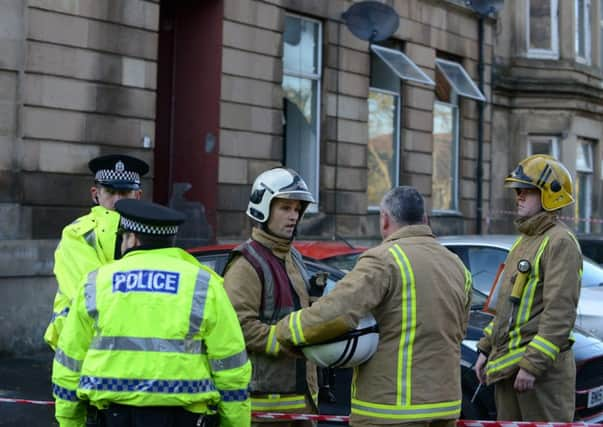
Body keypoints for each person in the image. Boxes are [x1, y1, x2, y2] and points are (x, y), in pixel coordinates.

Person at [275, 186, 472, 427]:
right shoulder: (456, 264)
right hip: (446, 406)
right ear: (425, 219)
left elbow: (335, 313)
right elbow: (460, 329)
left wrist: (283, 331)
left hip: (392, 409)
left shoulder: (384, 259)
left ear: (385, 219)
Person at [51, 199, 251, 427]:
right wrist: (235, 422)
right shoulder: (204, 283)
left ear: (132, 238)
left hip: (113, 418)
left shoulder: (96, 283)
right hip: (185, 419)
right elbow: (232, 367)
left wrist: (69, 420)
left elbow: (69, 362)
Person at [474, 154, 582, 422]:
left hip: (539, 377)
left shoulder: (560, 242)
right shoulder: (523, 242)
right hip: (509, 367)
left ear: (550, 195)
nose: (519, 197)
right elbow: (504, 308)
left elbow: (559, 313)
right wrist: (486, 348)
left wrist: (533, 365)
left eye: (527, 191)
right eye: (517, 191)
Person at [222, 168, 319, 426]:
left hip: (302, 401)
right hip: (265, 407)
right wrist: (289, 340)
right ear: (262, 209)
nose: (293, 216)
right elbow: (239, 327)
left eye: (297, 209)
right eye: (285, 208)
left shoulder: (294, 258)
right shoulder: (246, 263)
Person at [44, 154, 149, 350]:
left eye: (125, 192)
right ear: (95, 194)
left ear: (138, 195)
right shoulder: (77, 233)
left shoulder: (150, 232)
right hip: (81, 343)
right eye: (110, 191)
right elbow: (90, 294)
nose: (117, 200)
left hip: (130, 344)